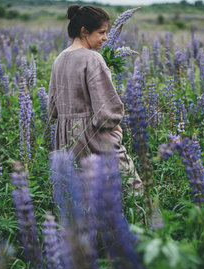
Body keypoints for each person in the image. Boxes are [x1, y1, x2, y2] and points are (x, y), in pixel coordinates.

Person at [48, 4, 143, 194]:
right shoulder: (92, 58)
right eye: (101, 32)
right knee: (132, 188)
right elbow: (106, 111)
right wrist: (116, 129)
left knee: (83, 198)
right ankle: (145, 224)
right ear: (84, 31)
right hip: (93, 137)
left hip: (66, 141)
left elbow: (52, 109)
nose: (106, 38)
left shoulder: (59, 59)